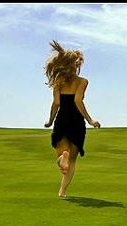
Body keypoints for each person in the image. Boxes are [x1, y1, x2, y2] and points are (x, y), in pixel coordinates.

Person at [44, 40, 100, 198]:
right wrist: (90, 120)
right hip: (77, 121)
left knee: (62, 156)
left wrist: (50, 121)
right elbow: (77, 100)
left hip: (62, 119)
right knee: (72, 161)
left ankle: (63, 157)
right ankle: (62, 191)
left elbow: (56, 103)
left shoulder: (58, 81)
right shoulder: (82, 82)